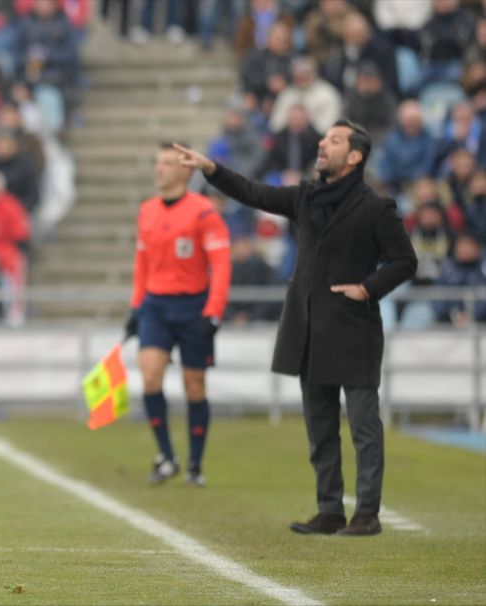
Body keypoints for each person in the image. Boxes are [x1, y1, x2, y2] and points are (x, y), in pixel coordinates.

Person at [174, 119, 417, 536]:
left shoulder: (377, 208)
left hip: (354, 329)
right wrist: (211, 169)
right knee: (320, 428)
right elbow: (253, 192)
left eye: (334, 140)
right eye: (324, 138)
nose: (322, 144)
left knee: (363, 426)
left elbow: (405, 261)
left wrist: (367, 288)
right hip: (309, 329)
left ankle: (367, 515)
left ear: (354, 156)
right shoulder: (305, 197)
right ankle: (329, 511)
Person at [124, 143, 231, 487]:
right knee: (150, 376)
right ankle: (167, 456)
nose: (160, 169)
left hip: (193, 305)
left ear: (186, 170)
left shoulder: (203, 213)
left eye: (168, 163)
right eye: (158, 163)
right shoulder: (147, 211)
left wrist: (213, 311)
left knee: (194, 384)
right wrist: (136, 306)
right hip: (155, 305)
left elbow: (221, 265)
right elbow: (142, 263)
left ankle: (195, 464)